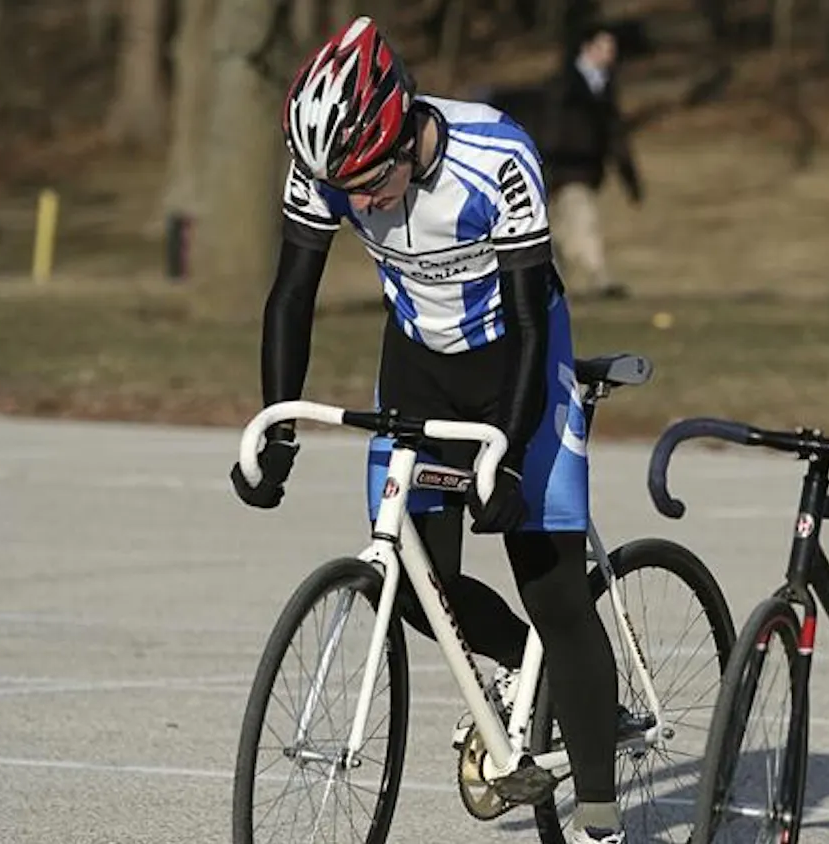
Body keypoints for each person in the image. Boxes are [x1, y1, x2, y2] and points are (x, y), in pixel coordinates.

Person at [227, 17, 625, 844]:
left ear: (407, 126)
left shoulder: (497, 156)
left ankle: (599, 812)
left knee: (550, 583)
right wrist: (276, 428)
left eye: (374, 182)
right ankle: (527, 671)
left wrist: (509, 459)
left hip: (517, 355)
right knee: (414, 582)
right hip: (418, 356)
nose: (363, 205)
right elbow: (292, 294)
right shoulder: (328, 169)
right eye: (349, 192)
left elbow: (523, 319)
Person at [530, 22, 643, 300]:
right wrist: (544, 165)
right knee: (578, 222)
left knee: (566, 228)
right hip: (560, 168)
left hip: (584, 170)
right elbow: (548, 129)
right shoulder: (563, 85)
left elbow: (615, 134)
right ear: (588, 48)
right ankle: (599, 279)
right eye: (605, 47)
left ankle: (562, 283)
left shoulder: (604, 87)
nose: (610, 54)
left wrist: (629, 176)